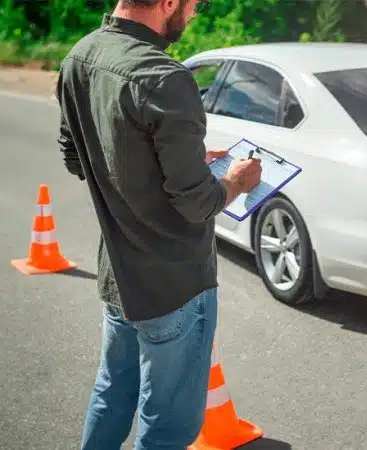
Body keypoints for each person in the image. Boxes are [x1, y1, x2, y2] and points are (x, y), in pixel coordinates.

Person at [54, 1, 262, 449]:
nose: (193, 15)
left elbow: (77, 158)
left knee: (112, 393)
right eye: (193, 5)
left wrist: (177, 161)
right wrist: (236, 181)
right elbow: (198, 203)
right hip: (175, 285)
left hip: (118, 273)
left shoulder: (79, 56)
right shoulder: (166, 77)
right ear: (169, 2)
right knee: (167, 426)